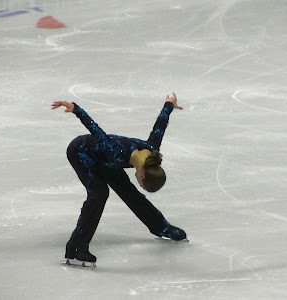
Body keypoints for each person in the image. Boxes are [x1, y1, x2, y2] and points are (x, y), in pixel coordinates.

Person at [51, 93, 187, 267]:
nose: (139, 182)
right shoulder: (115, 150)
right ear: (143, 175)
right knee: (99, 194)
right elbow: (96, 130)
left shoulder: (151, 150)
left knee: (130, 193)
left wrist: (169, 105)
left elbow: (160, 126)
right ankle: (76, 248)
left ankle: (162, 228)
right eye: (142, 184)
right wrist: (76, 109)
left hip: (106, 160)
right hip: (81, 151)